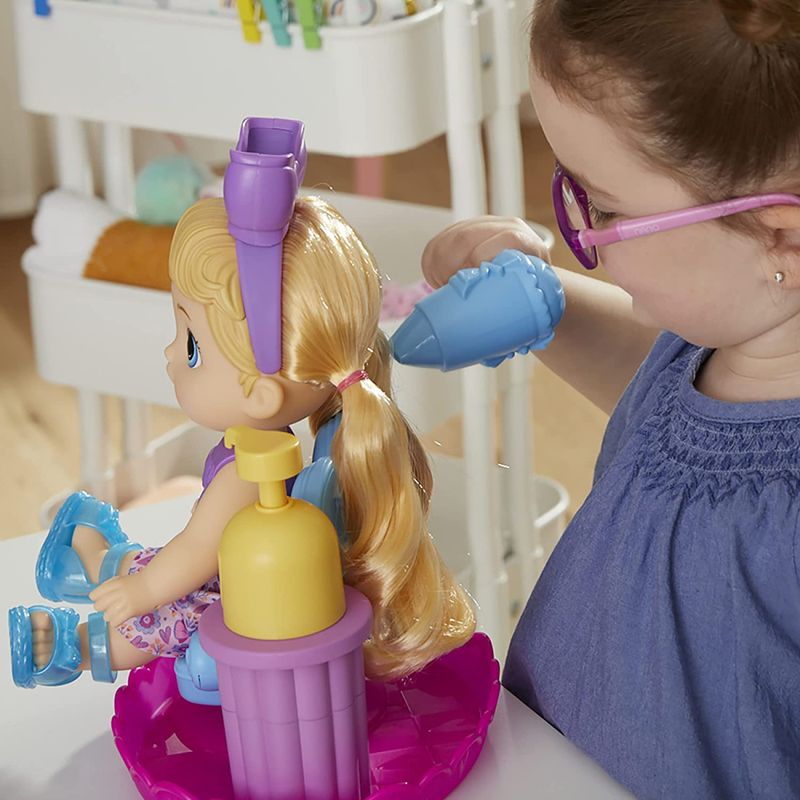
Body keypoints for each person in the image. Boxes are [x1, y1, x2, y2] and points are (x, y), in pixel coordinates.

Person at [422, 1, 800, 796]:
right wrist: (539, 303)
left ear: (783, 238)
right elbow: (662, 400)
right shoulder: (720, 337)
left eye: (606, 207)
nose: (581, 231)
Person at [11, 181, 475, 688]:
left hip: (231, 598)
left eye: (192, 346)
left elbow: (197, 551)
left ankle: (71, 648)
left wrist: (141, 594)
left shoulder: (248, 475)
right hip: (224, 573)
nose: (170, 352)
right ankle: (95, 565)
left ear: (261, 395)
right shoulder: (266, 444)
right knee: (160, 569)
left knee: (153, 620)